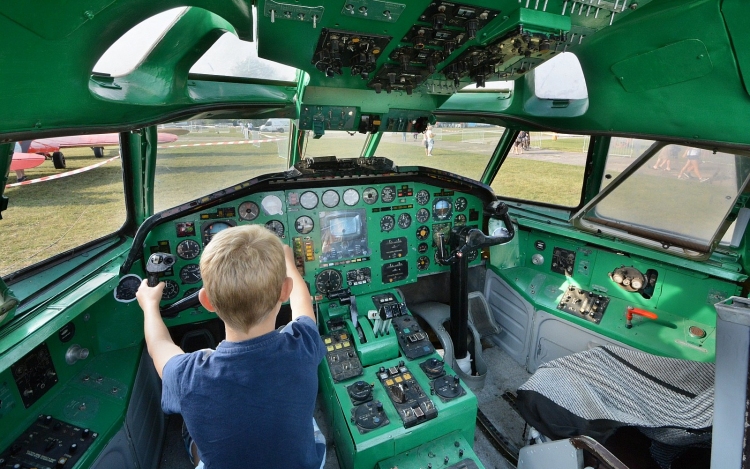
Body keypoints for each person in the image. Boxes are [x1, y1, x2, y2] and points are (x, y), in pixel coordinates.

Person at [136, 225, 326, 469]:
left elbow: (158, 345)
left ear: (206, 301)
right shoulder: (304, 344)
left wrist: (150, 306)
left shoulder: (187, 375)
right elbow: (303, 305)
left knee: (190, 430)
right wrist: (288, 260)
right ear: (284, 290)